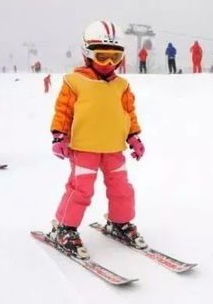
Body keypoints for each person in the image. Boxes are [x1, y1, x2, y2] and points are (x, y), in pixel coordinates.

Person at [48, 20, 147, 259]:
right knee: (81, 190)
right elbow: (64, 111)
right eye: (102, 56)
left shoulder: (121, 85)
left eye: (115, 57)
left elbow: (128, 114)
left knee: (122, 189)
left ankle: (120, 223)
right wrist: (59, 136)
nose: (109, 63)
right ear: (87, 54)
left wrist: (134, 137)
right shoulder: (75, 82)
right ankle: (64, 227)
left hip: (114, 148)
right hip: (83, 148)